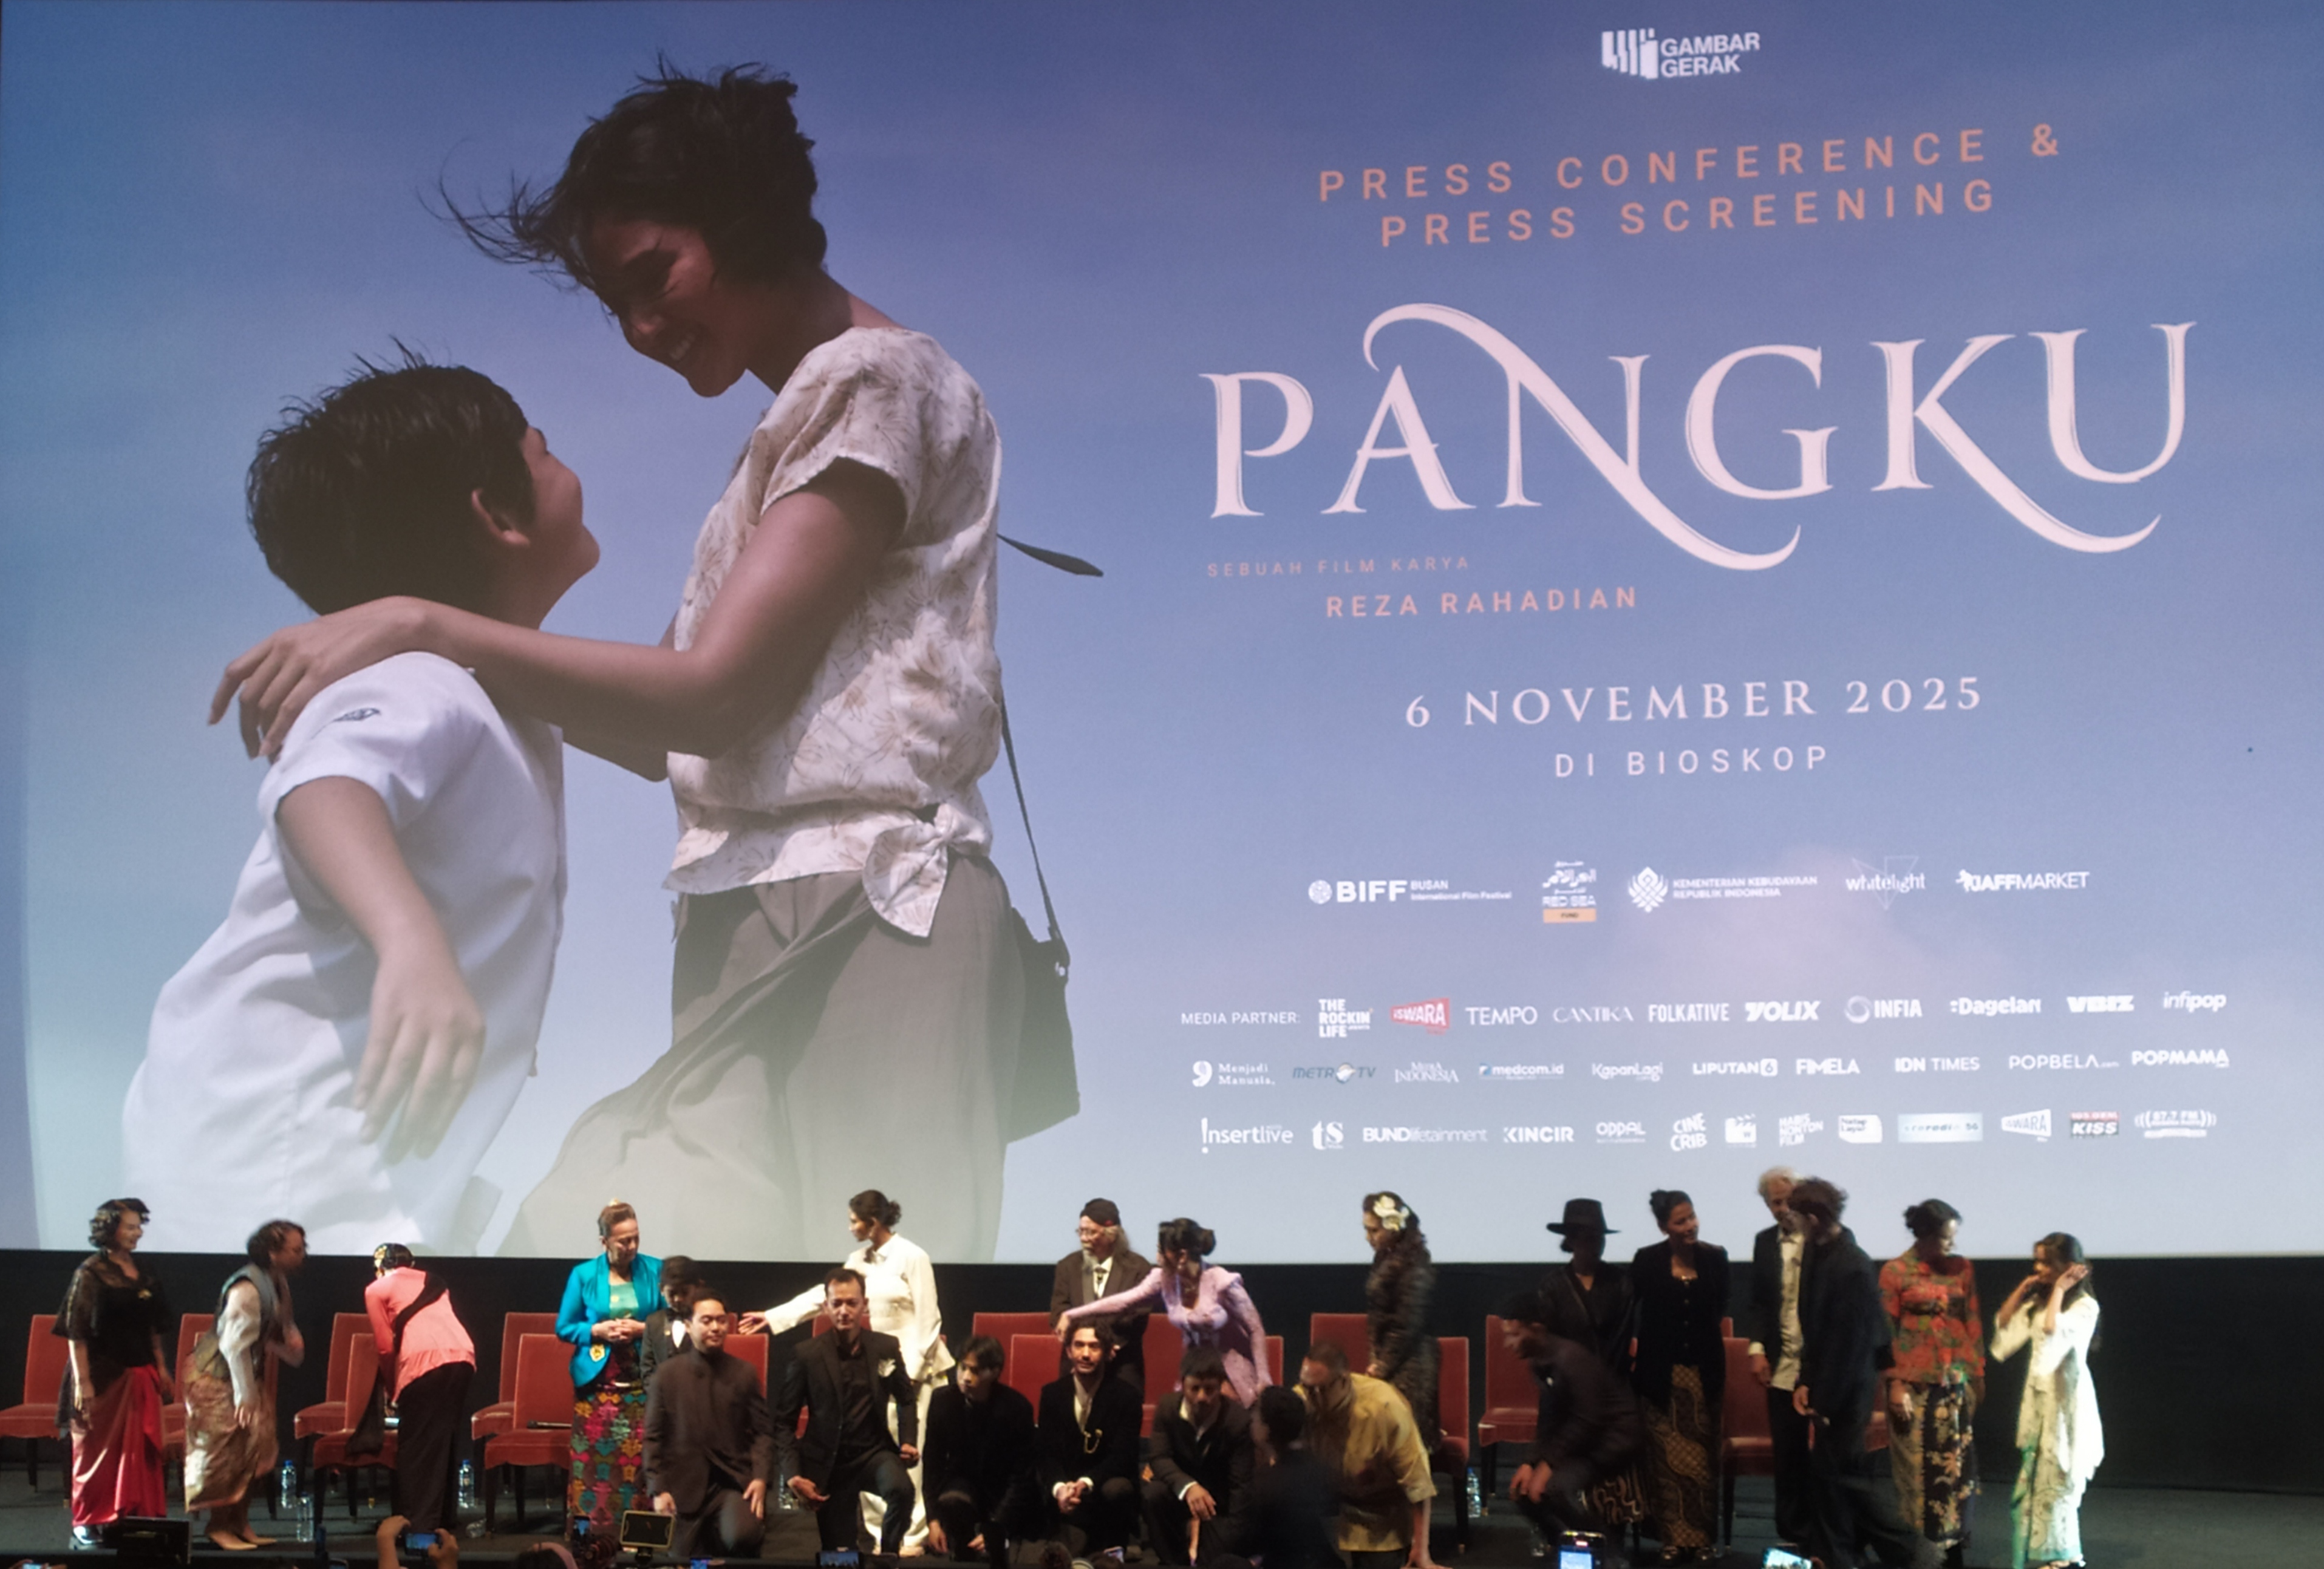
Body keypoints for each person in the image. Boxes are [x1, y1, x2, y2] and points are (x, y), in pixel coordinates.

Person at [217, 63, 1035, 1265]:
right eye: (616, 303)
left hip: (875, 899)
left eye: (655, 276)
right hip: (746, 904)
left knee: (879, 1308)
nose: (642, 328)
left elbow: (714, 694)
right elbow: (661, 729)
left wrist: (419, 621)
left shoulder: (876, 378)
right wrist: (422, 637)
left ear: (745, 215)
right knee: (691, 1282)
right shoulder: (796, 423)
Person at [131, 359, 590, 1256]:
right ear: (498, 516)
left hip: (321, 1171)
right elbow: (323, 789)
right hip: (271, 1163)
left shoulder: (491, 695)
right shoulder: (425, 680)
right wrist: (410, 940)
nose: (562, 463)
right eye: (543, 451)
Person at [745, 1188, 951, 1547]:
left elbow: (929, 1318)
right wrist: (774, 1316)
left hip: (910, 1364)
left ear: (873, 1222)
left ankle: (909, 1540)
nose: (851, 1228)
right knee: (864, 1446)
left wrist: (912, 1373)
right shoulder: (858, 1260)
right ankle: (876, 1536)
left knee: (904, 1459)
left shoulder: (912, 1256)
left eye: (855, 1221)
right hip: (870, 1363)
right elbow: (825, 1296)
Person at [1788, 1180, 1937, 1569]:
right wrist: (1806, 1380)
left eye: (1797, 1217)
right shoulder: (1817, 1251)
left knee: (1846, 1479)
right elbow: (1815, 1328)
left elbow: (1852, 1346)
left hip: (1847, 1389)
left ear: (1813, 1218)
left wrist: (1824, 1401)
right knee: (1831, 1479)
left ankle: (1911, 1552)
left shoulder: (1852, 1265)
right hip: (1826, 1382)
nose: (1792, 1224)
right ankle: (1840, 1556)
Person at [183, 1219, 308, 1552]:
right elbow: (233, 1346)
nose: (303, 1255)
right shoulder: (247, 1288)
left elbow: (281, 1325)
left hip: (244, 1375)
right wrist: (245, 1394)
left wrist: (290, 1345)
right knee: (227, 1451)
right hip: (215, 1378)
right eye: (296, 1249)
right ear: (273, 1253)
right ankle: (218, 1526)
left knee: (256, 1448)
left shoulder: (276, 1281)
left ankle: (239, 1522)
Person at [776, 1268, 921, 1554]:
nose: (844, 1311)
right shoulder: (806, 1354)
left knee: (902, 1491)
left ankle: (888, 1555)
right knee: (841, 1555)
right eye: (837, 1303)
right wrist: (792, 1474)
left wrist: (908, 1440)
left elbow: (906, 1399)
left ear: (864, 1305)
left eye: (851, 1303)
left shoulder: (885, 1347)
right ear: (826, 1307)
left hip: (874, 1454)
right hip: (831, 1464)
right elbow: (784, 1422)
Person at [55, 1199, 173, 1547]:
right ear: (110, 1229)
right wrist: (83, 1382)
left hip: (140, 1373)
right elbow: (76, 1332)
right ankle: (88, 1520)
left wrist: (161, 1366)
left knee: (139, 1455)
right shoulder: (90, 1273)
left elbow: (153, 1326)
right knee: (96, 1452)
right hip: (102, 1376)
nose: (138, 1233)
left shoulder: (145, 1270)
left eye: (139, 1227)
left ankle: (132, 1517)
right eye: (130, 1227)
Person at [1060, 1218, 1272, 1406]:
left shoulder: (1222, 1282)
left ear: (1182, 1255)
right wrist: (1073, 1314)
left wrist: (1263, 1377)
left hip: (1230, 1370)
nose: (1157, 1257)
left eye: (1162, 1251)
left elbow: (1255, 1328)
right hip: (1194, 1369)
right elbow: (1124, 1301)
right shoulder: (1165, 1279)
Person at [1881, 1200, 1984, 1567]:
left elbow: (1972, 1321)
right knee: (1919, 1473)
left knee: (1955, 1470)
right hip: (1913, 1387)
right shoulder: (1896, 1272)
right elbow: (1886, 1335)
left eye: (1953, 1237)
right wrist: (1895, 1385)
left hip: (1954, 1383)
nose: (1951, 1245)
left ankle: (1952, 1550)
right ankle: (1923, 1552)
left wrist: (1978, 1375)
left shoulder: (1962, 1269)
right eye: (1944, 1238)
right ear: (1924, 1235)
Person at [1629, 1190, 1729, 1564]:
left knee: (1703, 1462)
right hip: (1661, 1376)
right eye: (1680, 1221)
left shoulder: (1716, 1258)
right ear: (1663, 1227)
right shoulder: (1647, 1260)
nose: (1690, 1226)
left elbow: (1719, 1308)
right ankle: (1671, 1539)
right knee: (1665, 1463)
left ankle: (1702, 1539)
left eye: (1692, 1217)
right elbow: (1631, 1309)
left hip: (1703, 1375)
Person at [1495, 1290, 1643, 1543]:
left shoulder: (1570, 1359)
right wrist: (1530, 1463)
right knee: (1523, 1492)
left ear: (1537, 1329)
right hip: (1584, 1442)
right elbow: (1549, 1419)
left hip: (1612, 1441)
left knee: (1554, 1489)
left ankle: (1609, 1553)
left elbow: (1588, 1419)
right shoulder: (1539, 1362)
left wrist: (1548, 1465)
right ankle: (1565, 1548)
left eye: (1515, 1335)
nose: (1508, 1344)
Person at [1990, 1235, 2102, 1569]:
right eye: (2036, 1261)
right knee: (2035, 1483)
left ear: (2068, 1268)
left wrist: (2060, 1290)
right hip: (2039, 1400)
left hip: (2065, 1401)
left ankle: (2064, 1557)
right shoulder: (2039, 1303)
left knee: (2059, 1481)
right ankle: (2042, 1556)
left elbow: (2054, 1331)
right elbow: (2004, 1324)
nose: (2038, 1268)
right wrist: (2024, 1289)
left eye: (2046, 1263)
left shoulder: (2085, 1307)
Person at [557, 1202, 664, 1539]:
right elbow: (564, 1327)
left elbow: (674, 1322)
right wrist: (597, 1331)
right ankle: (592, 1541)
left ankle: (643, 1541)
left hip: (643, 1386)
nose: (632, 1246)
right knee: (592, 1470)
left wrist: (642, 1330)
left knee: (643, 1469)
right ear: (604, 1241)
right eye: (623, 1241)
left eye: (636, 1238)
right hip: (597, 1389)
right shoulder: (584, 1275)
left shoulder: (656, 1270)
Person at [1538, 1197, 1644, 1534]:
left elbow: (1622, 1339)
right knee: (1559, 1479)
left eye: (1598, 1237)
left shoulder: (1620, 1282)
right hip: (1567, 1397)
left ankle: (1612, 1540)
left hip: (1612, 1394)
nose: (1594, 1244)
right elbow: (1548, 1347)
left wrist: (1599, 1386)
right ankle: (1572, 1539)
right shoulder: (1552, 1287)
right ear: (1570, 1240)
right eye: (1586, 1237)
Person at [646, 1290, 774, 1559]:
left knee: (741, 1537)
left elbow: (763, 1433)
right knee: (685, 1561)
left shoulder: (744, 1373)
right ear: (689, 1326)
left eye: (721, 1320)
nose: (715, 1327)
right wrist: (659, 1490)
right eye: (706, 1321)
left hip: (732, 1483)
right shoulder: (666, 1376)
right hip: (682, 1487)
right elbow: (653, 1438)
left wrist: (761, 1478)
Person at [364, 1244, 476, 1537]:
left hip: (422, 1363)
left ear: (379, 1268)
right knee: (443, 1439)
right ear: (411, 1264)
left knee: (416, 1446)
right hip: (463, 1356)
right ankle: (443, 1520)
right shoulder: (435, 1281)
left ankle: (419, 1526)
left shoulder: (376, 1290)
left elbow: (385, 1347)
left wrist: (392, 1387)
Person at [1297, 1341, 1436, 1569]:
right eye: (1307, 1387)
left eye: (1321, 1389)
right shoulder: (1303, 1400)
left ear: (1344, 1380)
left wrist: (1421, 1550)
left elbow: (1419, 1485)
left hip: (1380, 1520)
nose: (1312, 1396)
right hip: (1329, 1509)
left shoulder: (1385, 1409)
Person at [922, 1336, 1039, 1569]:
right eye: (962, 1367)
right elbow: (932, 1464)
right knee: (952, 1502)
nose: (966, 1377)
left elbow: (1022, 1478)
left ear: (994, 1372)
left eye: (975, 1371)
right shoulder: (943, 1401)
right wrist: (933, 1520)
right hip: (964, 1488)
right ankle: (963, 1553)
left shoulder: (1016, 1408)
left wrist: (998, 1526)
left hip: (1003, 1491)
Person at [1743, 1166, 1811, 1547]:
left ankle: (1829, 1535)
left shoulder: (1822, 1238)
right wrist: (1757, 1349)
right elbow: (1759, 1302)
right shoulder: (1764, 1242)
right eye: (1775, 1202)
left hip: (1819, 1363)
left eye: (1789, 1200)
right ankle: (1792, 1535)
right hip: (1781, 1362)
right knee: (1787, 1453)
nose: (1783, 1208)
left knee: (1826, 1457)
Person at [1035, 1322, 1142, 1560]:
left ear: (1107, 1352)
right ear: (1069, 1351)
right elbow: (1046, 1454)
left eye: (1094, 1347)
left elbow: (1123, 1457)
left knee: (1118, 1488)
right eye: (1079, 1345)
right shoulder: (1051, 1394)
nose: (1085, 1354)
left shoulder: (1127, 1397)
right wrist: (1060, 1488)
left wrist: (1085, 1483)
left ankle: (1118, 1545)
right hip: (1067, 1496)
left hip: (1103, 1492)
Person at [1146, 1346, 1255, 1566]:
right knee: (1153, 1494)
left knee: (1212, 1562)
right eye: (1195, 1388)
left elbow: (1240, 1486)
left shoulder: (1238, 1421)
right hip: (1181, 1493)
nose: (1202, 1397)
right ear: (1183, 1384)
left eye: (1210, 1389)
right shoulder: (1167, 1408)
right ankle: (1173, 1562)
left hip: (1218, 1503)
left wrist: (1232, 1535)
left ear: (1221, 1386)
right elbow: (1159, 1458)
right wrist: (1188, 1487)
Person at [1214, 1384, 1338, 1569]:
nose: (1251, 1420)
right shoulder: (1322, 1469)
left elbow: (1246, 1543)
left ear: (1266, 1430)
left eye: (1256, 1415)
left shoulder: (1264, 1485)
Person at [1361, 1192, 1439, 1448]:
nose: (1368, 1237)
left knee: (1406, 1439)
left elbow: (1408, 1323)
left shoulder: (1415, 1262)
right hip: (1388, 1358)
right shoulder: (1385, 1257)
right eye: (1366, 1230)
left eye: (1374, 1230)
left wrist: (1383, 1365)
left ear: (1393, 1226)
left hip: (1411, 1363)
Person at [1050, 1199, 1153, 1392]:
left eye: (1091, 1232)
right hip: (1077, 1362)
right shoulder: (1068, 1266)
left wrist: (1104, 1346)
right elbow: (1059, 1311)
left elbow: (1137, 1317)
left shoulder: (1138, 1268)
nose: (1084, 1238)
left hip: (1122, 1363)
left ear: (1111, 1235)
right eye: (1081, 1231)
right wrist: (1084, 1345)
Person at [639, 1256, 704, 1387]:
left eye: (685, 1292)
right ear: (661, 1289)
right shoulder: (654, 1322)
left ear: (698, 1288)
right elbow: (647, 1369)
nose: (678, 1299)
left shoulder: (706, 1321)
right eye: (672, 1293)